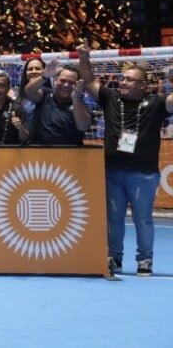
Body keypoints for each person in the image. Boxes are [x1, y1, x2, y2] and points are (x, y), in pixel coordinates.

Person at [78, 44, 173, 278]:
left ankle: (145, 260)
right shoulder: (111, 98)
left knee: (142, 220)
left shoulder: (158, 104)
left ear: (143, 85)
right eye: (122, 78)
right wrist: (83, 57)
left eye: (130, 79)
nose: (123, 81)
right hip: (112, 172)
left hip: (144, 175)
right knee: (114, 219)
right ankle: (114, 259)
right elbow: (89, 81)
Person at [23, 58, 91, 145]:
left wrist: (76, 98)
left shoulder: (82, 106)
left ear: (78, 85)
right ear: (55, 81)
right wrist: (44, 76)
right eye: (62, 80)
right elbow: (29, 91)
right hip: (40, 154)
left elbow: (83, 127)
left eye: (71, 82)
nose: (66, 85)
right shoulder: (45, 94)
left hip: (70, 155)